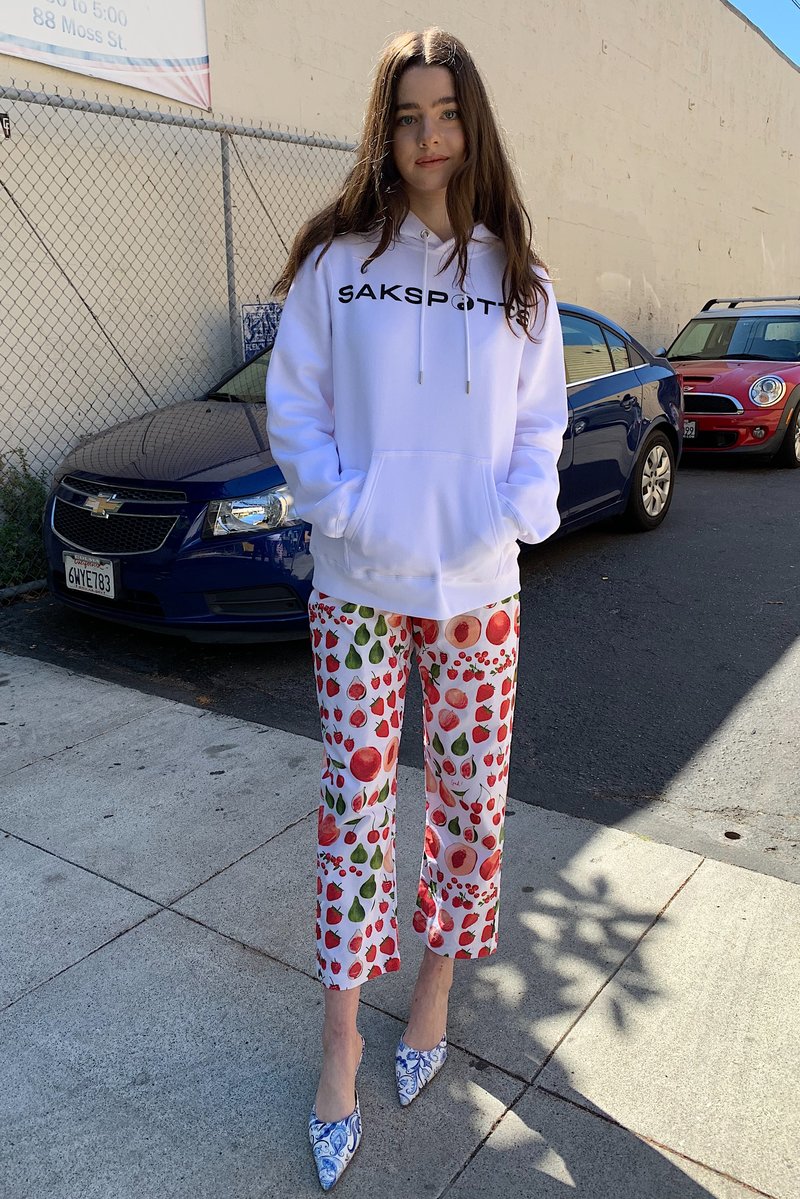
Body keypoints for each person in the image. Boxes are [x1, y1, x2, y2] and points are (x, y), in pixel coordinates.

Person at [265, 26, 569, 1191]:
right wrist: (347, 510)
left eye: (444, 113)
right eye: (407, 116)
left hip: (476, 587)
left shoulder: (518, 277)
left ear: (469, 123)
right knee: (354, 806)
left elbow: (539, 422)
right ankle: (339, 1035)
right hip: (356, 587)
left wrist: (509, 513)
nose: (428, 136)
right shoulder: (338, 261)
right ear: (383, 130)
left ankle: (434, 985)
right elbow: (295, 405)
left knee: (467, 804)